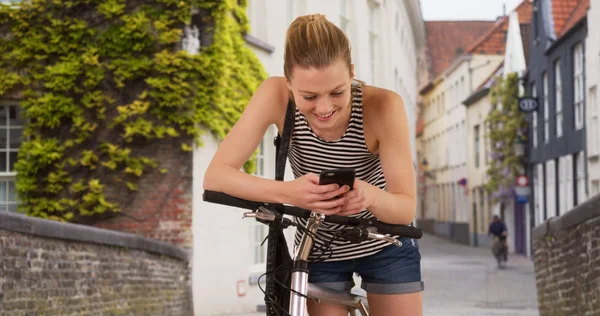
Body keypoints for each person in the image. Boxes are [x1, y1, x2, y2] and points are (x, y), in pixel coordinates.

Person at [203, 14, 422, 316]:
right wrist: (288, 193)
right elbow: (216, 176)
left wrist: (367, 196)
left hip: (385, 244)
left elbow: (405, 207)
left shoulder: (384, 106)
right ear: (289, 83)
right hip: (319, 246)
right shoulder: (274, 95)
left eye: (337, 92)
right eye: (308, 96)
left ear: (352, 74)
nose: (324, 108)